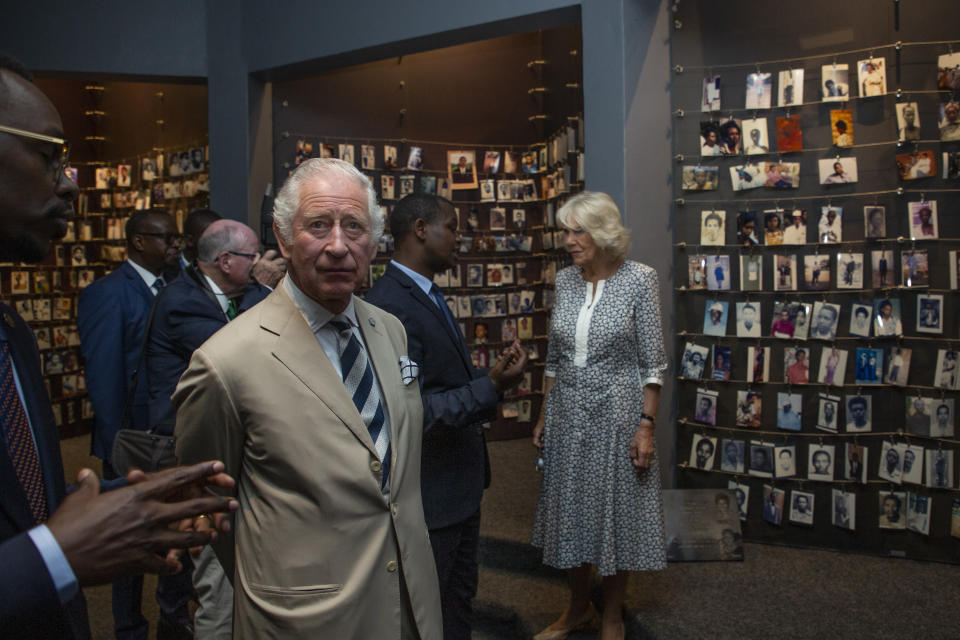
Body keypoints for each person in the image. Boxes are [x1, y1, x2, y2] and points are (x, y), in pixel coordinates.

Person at [0, 53, 237, 639]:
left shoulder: (12, 335)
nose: (68, 181)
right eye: (49, 155)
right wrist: (56, 555)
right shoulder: (107, 295)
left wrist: (128, 497)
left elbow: (24, 504)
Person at [173, 158, 443, 638]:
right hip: (303, 620)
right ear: (282, 238)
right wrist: (281, 584)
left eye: (354, 227)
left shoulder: (391, 332)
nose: (338, 246)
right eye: (318, 226)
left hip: (410, 604)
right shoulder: (226, 363)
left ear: (374, 241)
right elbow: (214, 509)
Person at [364, 194, 526, 640]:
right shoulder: (391, 305)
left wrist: (488, 377)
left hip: (456, 488)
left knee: (456, 606)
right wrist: (490, 388)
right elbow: (410, 412)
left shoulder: (425, 292)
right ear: (420, 230)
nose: (459, 237)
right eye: (452, 227)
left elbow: (433, 382)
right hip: (429, 495)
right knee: (425, 613)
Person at [531, 191, 667, 640]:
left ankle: (612, 615)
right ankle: (576, 610)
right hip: (568, 410)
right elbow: (554, 357)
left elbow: (653, 363)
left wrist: (646, 427)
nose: (568, 240)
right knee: (572, 511)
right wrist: (544, 414)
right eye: (565, 230)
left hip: (619, 414)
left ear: (604, 233)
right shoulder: (566, 280)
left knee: (614, 513)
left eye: (577, 231)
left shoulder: (640, 280)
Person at [145, 219, 271, 638]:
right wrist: (273, 292)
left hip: (240, 450)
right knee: (209, 570)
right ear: (226, 261)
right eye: (253, 257)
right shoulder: (180, 300)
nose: (260, 264)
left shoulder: (246, 292)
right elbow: (236, 351)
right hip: (192, 453)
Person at [77, 209, 198, 640]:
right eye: (165, 238)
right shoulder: (108, 294)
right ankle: (129, 628)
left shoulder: (176, 288)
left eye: (177, 238)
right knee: (127, 546)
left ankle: (171, 620)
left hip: (167, 437)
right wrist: (115, 447)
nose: (174, 246)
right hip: (129, 441)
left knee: (171, 534)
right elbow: (104, 375)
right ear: (138, 242)